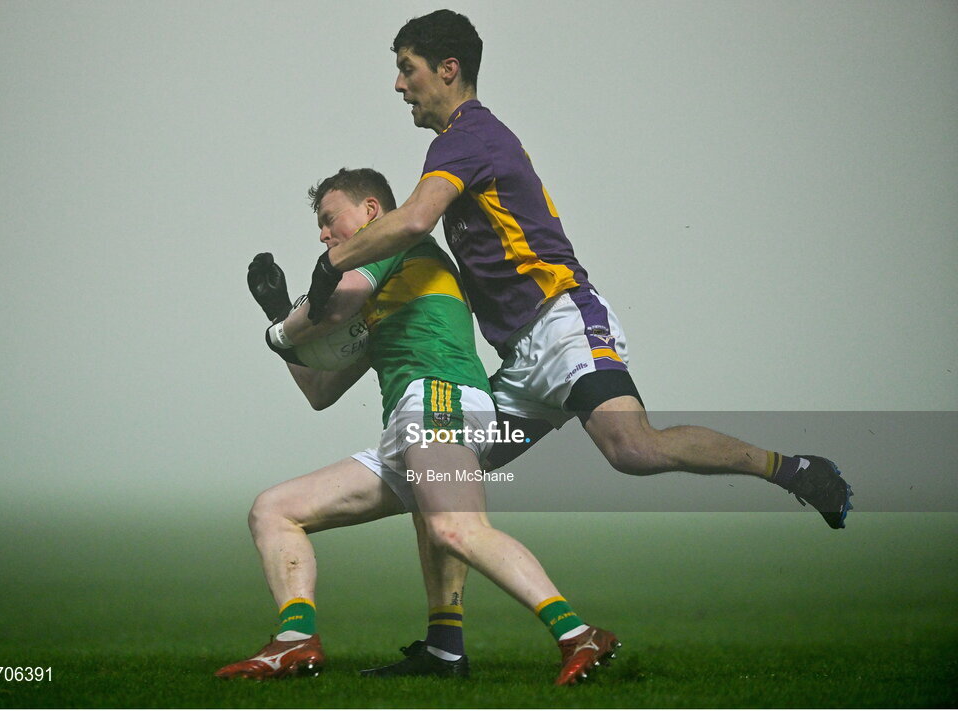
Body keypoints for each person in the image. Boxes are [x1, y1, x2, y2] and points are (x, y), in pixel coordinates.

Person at [304, 8, 854, 673]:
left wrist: (335, 263)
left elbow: (415, 218)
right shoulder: (462, 140)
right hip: (523, 360)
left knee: (633, 448)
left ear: (448, 71)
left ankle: (793, 470)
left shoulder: (465, 136)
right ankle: (445, 644)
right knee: (445, 471)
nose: (399, 85)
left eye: (407, 68)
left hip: (564, 324)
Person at [214, 168, 617, 686]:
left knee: (455, 527)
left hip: (439, 401)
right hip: (411, 421)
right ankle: (298, 641)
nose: (322, 234)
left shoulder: (393, 239)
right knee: (274, 510)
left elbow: (330, 310)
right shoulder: (384, 295)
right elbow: (320, 390)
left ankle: (576, 632)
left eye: (329, 218)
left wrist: (279, 331)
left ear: (370, 213)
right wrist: (277, 313)